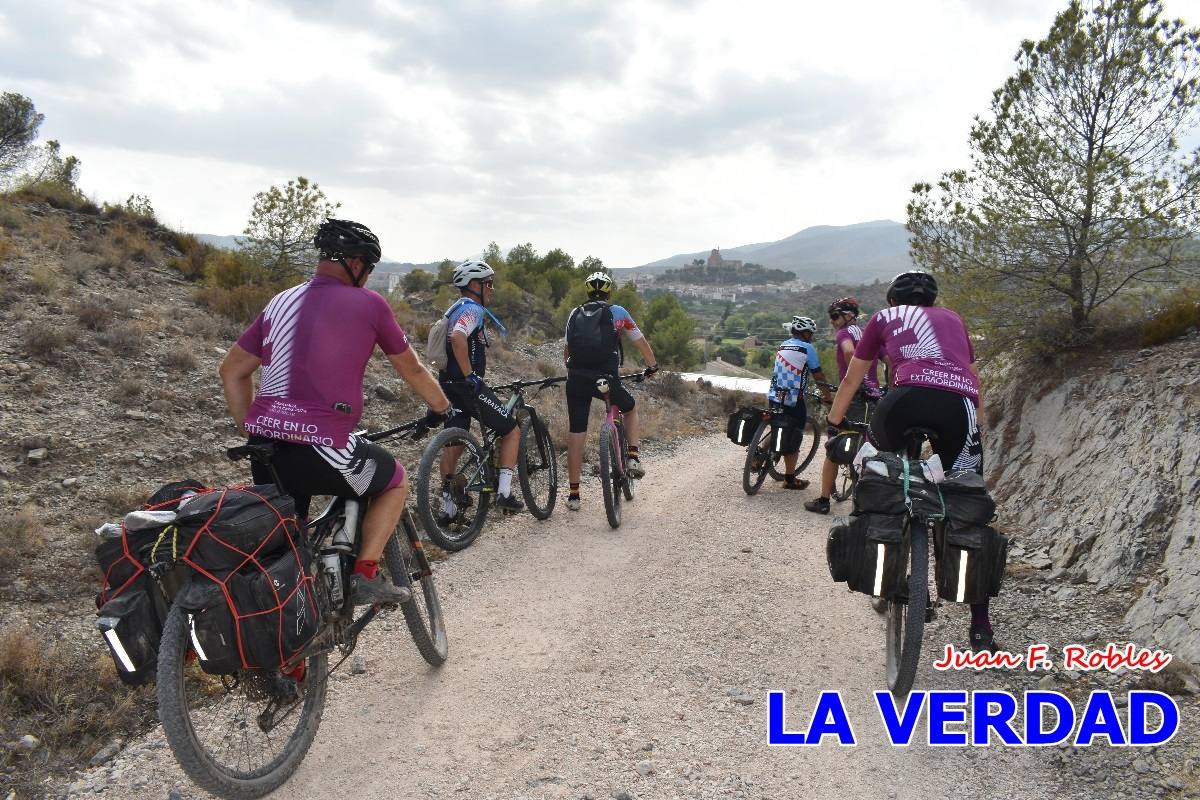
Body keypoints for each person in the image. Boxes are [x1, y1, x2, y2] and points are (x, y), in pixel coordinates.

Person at [219, 219, 452, 607]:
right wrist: (441, 407)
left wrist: (252, 426)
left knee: (288, 548)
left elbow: (231, 371)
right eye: (370, 268)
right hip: (319, 445)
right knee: (394, 480)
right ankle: (364, 575)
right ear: (357, 263)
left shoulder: (280, 301)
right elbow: (412, 368)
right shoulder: (370, 304)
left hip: (264, 448)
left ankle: (290, 646)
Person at [825, 270, 995, 651]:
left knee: (882, 472)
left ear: (891, 301)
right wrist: (978, 423)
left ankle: (890, 571)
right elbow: (973, 375)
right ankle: (981, 625)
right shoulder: (954, 319)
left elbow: (853, 378)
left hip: (903, 402)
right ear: (933, 301)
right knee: (968, 503)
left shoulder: (883, 319)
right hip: (958, 408)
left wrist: (834, 421)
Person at [562, 271, 658, 511]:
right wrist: (652, 366)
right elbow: (640, 341)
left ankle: (574, 494)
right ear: (609, 291)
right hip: (605, 378)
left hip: (576, 378)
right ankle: (633, 456)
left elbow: (567, 350)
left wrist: (573, 371)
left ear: (587, 292)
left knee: (576, 433)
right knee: (630, 407)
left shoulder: (575, 313)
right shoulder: (619, 312)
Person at [437, 259, 525, 515]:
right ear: (474, 285)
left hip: (447, 385)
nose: (492, 288)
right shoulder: (473, 309)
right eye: (488, 283)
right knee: (511, 430)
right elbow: (457, 337)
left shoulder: (454, 308)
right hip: (466, 387)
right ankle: (505, 493)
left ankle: (448, 509)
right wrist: (470, 376)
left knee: (454, 443)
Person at [805, 296, 881, 514]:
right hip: (874, 398)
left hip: (852, 395)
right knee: (869, 445)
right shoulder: (869, 334)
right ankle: (867, 505)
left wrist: (857, 381)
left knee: (833, 445)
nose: (832, 322)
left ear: (849, 316)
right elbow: (890, 360)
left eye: (835, 317)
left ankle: (823, 501)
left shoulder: (844, 333)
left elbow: (848, 351)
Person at [767, 316, 831, 490]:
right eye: (811, 333)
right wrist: (827, 396)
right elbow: (818, 375)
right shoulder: (807, 348)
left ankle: (758, 457)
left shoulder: (783, 345)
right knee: (794, 435)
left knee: (776, 425)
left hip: (774, 395)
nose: (811, 337)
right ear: (806, 333)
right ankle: (789, 479)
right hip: (794, 399)